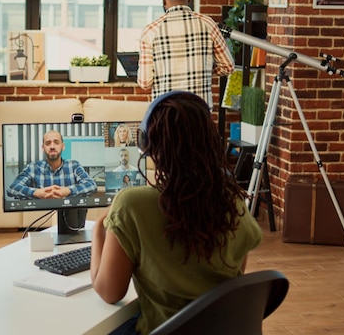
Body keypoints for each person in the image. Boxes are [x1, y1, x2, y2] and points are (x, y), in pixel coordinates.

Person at [90, 91, 262, 335]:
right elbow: (233, 279)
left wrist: (100, 228)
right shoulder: (233, 202)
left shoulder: (131, 205)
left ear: (148, 145)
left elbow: (109, 292)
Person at [138, 0, 235, 110]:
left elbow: (145, 82)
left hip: (165, 113)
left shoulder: (151, 31)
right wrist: (202, 68)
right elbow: (228, 66)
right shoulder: (207, 23)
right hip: (199, 112)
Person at [7, 130, 97, 199]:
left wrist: (67, 191)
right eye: (48, 143)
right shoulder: (33, 167)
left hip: (69, 216)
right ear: (43, 148)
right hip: (42, 217)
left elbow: (91, 185)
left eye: (56, 142)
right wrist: (36, 192)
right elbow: (12, 188)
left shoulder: (73, 165)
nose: (52, 146)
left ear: (63, 146)